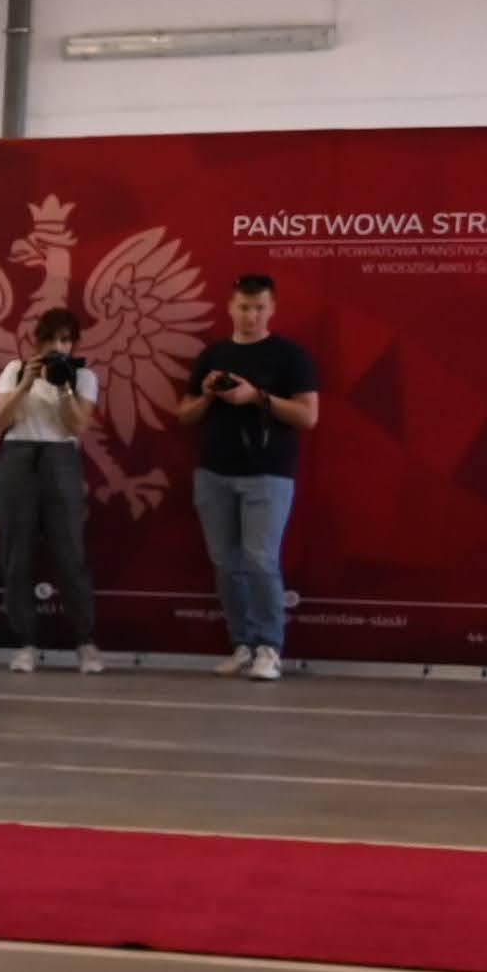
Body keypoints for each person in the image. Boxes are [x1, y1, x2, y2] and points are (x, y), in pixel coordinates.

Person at [179, 271, 316, 680]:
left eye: (259, 308)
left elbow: (308, 416)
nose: (251, 316)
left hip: (268, 473)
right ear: (230, 308)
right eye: (244, 307)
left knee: (260, 561)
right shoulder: (213, 355)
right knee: (226, 564)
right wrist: (209, 394)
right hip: (214, 473)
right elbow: (184, 414)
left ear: (272, 309)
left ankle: (269, 647)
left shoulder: (290, 355)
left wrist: (256, 396)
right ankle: (242, 643)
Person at [0, 306, 107, 674]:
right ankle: (25, 643)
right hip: (18, 456)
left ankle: (85, 642)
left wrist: (64, 387)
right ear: (38, 342)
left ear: (74, 344)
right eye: (52, 340)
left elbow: (77, 427)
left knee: (70, 551)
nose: (59, 347)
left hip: (61, 457)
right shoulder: (15, 370)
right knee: (17, 553)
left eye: (66, 340)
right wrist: (26, 384)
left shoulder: (83, 376)